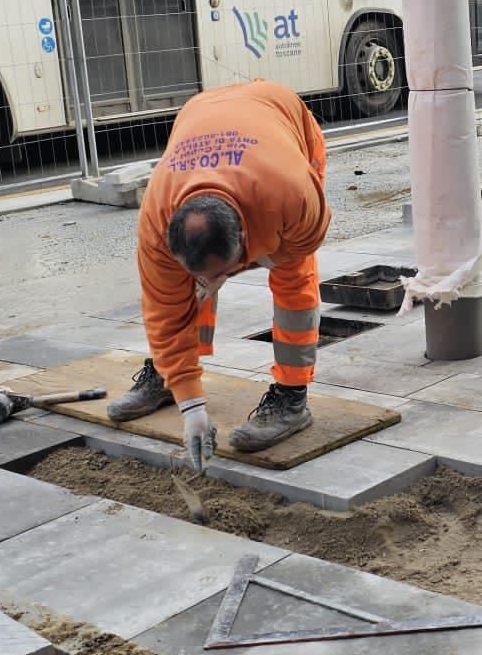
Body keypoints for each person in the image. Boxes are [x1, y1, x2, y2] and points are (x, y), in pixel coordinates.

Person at [106, 80, 328, 470]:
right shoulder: (157, 223)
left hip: (282, 121)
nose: (217, 281)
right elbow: (164, 310)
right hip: (204, 113)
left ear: (244, 238)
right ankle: (167, 375)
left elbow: (308, 240)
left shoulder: (289, 193)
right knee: (185, 292)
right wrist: (191, 405)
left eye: (228, 270)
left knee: (293, 279)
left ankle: (292, 397)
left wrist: (268, 260)